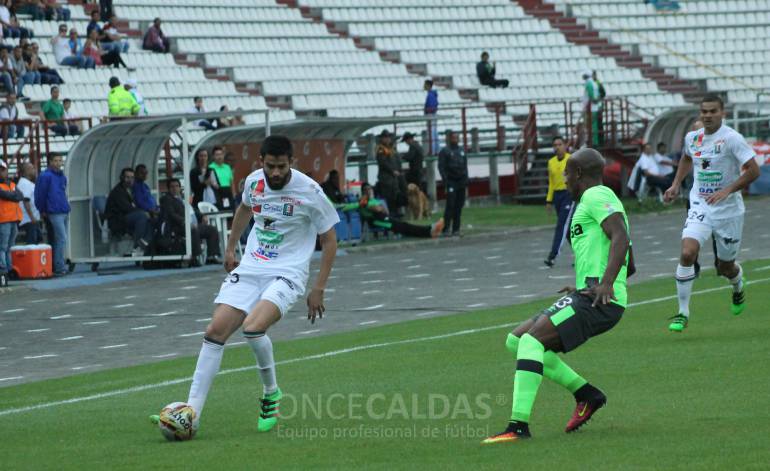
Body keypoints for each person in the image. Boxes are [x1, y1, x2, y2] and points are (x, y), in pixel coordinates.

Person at [149, 135, 340, 434]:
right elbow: (243, 210)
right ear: (261, 162)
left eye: (281, 167)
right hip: (251, 267)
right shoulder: (254, 182)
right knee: (214, 332)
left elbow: (329, 241)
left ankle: (271, 394)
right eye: (270, 166)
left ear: (291, 163)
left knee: (252, 328)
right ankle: (191, 411)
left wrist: (319, 288)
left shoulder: (310, 192)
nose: (275, 173)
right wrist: (230, 248)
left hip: (287, 273)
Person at [483, 148, 634, 444]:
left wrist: (605, 285)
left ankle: (518, 427)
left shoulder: (596, 196)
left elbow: (622, 237)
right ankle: (586, 394)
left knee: (531, 341)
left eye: (566, 172)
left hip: (600, 301)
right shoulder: (589, 202)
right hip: (590, 295)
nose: (563, 178)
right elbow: (624, 256)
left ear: (578, 174)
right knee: (516, 340)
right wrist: (587, 282)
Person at [663, 95, 760, 332]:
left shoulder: (732, 139)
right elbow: (687, 158)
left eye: (712, 111)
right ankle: (682, 312)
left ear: (722, 113)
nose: (707, 115)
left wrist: (727, 190)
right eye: (704, 111)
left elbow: (754, 171)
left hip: (728, 211)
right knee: (687, 253)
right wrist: (676, 184)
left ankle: (737, 286)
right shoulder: (692, 138)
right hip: (701, 205)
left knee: (725, 267)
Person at [342, 182, 443, 239]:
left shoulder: (372, 200)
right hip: (377, 221)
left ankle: (429, 231)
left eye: (370, 189)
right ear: (364, 191)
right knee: (403, 227)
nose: (370, 190)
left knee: (404, 226)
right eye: (367, 189)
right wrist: (379, 208)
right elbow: (376, 208)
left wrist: (380, 208)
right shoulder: (363, 200)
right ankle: (429, 230)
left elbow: (383, 209)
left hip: (383, 217)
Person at [158, 178, 220, 264]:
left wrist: (202, 216)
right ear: (168, 189)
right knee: (193, 230)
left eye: (176, 186)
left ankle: (211, 256)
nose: (175, 188)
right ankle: (195, 257)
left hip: (193, 224)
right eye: (172, 187)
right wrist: (186, 222)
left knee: (212, 230)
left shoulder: (183, 198)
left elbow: (193, 209)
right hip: (178, 226)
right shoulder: (166, 199)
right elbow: (171, 214)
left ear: (180, 188)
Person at [34, 153, 70, 275]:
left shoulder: (61, 176)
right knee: (61, 238)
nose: (58, 163)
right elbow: (40, 195)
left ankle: (57, 265)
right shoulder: (45, 176)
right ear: (50, 162)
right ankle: (59, 266)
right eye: (55, 160)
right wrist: (43, 210)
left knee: (58, 239)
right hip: (54, 211)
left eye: (60, 160)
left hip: (63, 209)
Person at [105, 167, 153, 256]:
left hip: (126, 218)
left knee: (151, 220)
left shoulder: (129, 190)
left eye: (132, 177)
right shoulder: (118, 191)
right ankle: (136, 246)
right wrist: (145, 212)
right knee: (142, 216)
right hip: (117, 221)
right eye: (127, 177)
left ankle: (143, 243)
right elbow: (127, 208)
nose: (130, 180)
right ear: (122, 178)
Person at [544, 136, 572, 267]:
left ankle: (553, 255)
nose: (557, 147)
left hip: (568, 195)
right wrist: (549, 200)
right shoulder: (551, 162)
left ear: (565, 145)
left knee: (561, 225)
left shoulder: (571, 159)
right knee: (567, 230)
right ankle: (582, 253)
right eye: (554, 145)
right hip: (557, 196)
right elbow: (551, 183)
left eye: (560, 144)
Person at [438, 130, 468, 237]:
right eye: (453, 137)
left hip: (461, 181)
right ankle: (445, 229)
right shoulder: (444, 151)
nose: (455, 139)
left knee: (459, 206)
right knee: (450, 205)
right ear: (449, 139)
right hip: (451, 182)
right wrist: (446, 180)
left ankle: (456, 229)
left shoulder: (462, 151)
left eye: (457, 137)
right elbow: (441, 167)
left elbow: (465, 166)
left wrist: (466, 179)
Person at [0, 158, 23, 279]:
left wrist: (12, 196)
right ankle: (3, 270)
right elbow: (7, 195)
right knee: (3, 247)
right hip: (3, 220)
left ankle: (9, 270)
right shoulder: (8, 185)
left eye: (3, 169)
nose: (3, 172)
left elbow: (20, 196)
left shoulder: (12, 184)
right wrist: (13, 196)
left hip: (13, 219)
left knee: (9, 247)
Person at [375, 129, 405, 217]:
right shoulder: (381, 149)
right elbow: (383, 162)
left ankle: (395, 214)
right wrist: (392, 171)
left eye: (388, 137)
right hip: (386, 178)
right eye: (385, 138)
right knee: (388, 198)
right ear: (382, 139)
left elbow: (397, 160)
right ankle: (390, 215)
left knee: (395, 197)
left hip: (394, 178)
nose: (387, 139)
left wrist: (399, 171)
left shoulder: (391, 148)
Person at [17, 162, 41, 244]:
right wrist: (32, 217)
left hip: (31, 218)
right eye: (32, 168)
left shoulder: (27, 183)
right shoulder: (24, 184)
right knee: (32, 243)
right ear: (26, 171)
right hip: (28, 220)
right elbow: (26, 201)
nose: (34, 170)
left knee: (37, 240)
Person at [208, 146, 234, 210]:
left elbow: (231, 182)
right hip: (217, 192)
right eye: (217, 155)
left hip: (227, 191)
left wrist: (234, 194)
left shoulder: (227, 167)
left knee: (230, 210)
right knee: (221, 210)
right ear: (213, 156)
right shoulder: (210, 167)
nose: (219, 157)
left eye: (221, 154)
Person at [581, 70, 601, 147]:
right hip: (594, 108)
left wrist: (593, 100)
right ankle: (595, 141)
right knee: (594, 125)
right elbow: (598, 95)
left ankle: (590, 141)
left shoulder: (588, 83)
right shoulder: (594, 83)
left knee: (588, 125)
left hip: (589, 108)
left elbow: (591, 95)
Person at [423, 80, 439, 154]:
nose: (424, 86)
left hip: (430, 115)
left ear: (428, 85)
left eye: (425, 85)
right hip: (433, 114)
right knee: (434, 132)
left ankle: (432, 151)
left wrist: (427, 111)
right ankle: (435, 150)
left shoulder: (430, 95)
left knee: (431, 133)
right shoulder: (432, 94)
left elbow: (431, 106)